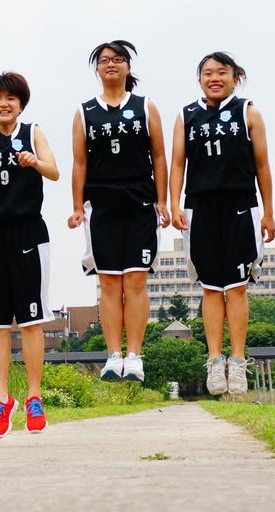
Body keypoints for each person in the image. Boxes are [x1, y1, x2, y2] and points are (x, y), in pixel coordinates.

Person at [169, 52, 275, 396]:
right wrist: (174, 203)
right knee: (211, 287)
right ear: (199, 79)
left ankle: (238, 360)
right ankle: (215, 359)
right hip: (200, 206)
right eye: (207, 73)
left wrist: (269, 211)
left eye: (221, 72)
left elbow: (262, 164)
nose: (214, 78)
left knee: (238, 286)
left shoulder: (248, 112)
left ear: (235, 77)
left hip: (241, 204)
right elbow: (177, 163)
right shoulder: (186, 115)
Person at [0, 72, 60, 439]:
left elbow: (54, 171)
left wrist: (35, 162)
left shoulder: (33, 132)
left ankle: (34, 398)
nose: (4, 104)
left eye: (11, 98)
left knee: (32, 320)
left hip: (28, 232)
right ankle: (1, 399)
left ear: (21, 104)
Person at [68, 40, 169, 383]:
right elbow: (79, 162)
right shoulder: (85, 111)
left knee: (136, 280)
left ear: (128, 67)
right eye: (104, 60)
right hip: (102, 204)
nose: (111, 64)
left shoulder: (145, 106)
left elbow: (159, 156)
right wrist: (77, 206)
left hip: (139, 200)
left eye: (118, 59)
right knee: (109, 283)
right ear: (97, 69)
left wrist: (162, 200)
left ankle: (135, 356)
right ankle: (113, 356)